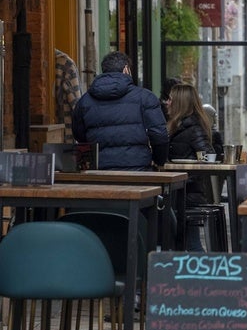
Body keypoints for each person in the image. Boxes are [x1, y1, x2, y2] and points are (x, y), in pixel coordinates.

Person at [72, 51, 168, 170]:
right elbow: (159, 135)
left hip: (99, 173)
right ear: (126, 69)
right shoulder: (146, 97)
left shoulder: (84, 102)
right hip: (139, 172)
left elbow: (80, 136)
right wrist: (159, 161)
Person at [167, 84, 214, 251]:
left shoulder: (193, 128)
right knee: (183, 240)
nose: (167, 103)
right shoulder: (179, 126)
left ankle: (205, 273)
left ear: (180, 103)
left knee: (191, 242)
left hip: (187, 194)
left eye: (171, 99)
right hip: (180, 193)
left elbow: (208, 156)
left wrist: (185, 173)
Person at [54, 49, 82, 143]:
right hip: (66, 135)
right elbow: (77, 106)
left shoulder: (65, 64)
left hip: (62, 133)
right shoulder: (66, 64)